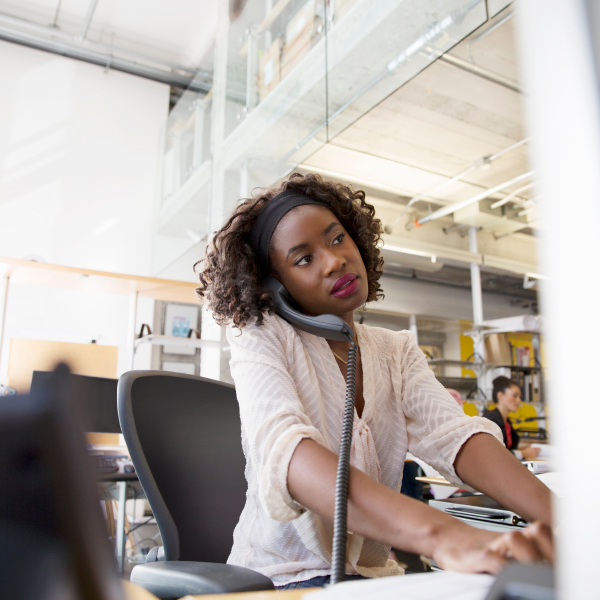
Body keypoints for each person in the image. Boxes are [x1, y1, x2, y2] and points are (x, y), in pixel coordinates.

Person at [196, 173, 553, 589]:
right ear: (275, 287)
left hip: (373, 580)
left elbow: (455, 436)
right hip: (283, 580)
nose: (334, 260)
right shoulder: (261, 336)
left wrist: (563, 520)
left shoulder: (394, 350)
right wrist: (446, 536)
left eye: (336, 239)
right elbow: (287, 454)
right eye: (303, 259)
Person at [484, 377, 541, 461]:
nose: (519, 400)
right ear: (500, 396)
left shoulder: (507, 422)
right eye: (515, 396)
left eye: (520, 397)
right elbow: (495, 453)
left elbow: (507, 448)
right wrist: (523, 453)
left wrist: (523, 449)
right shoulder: (491, 420)